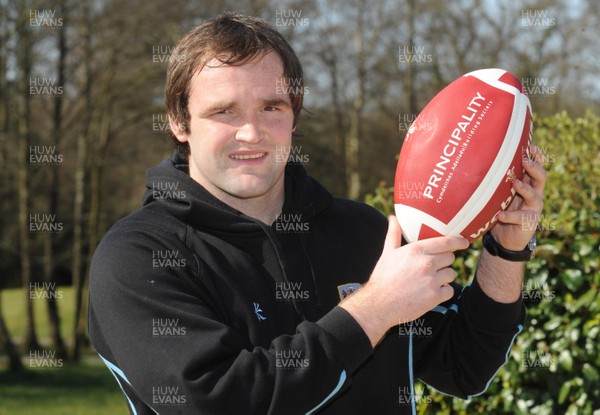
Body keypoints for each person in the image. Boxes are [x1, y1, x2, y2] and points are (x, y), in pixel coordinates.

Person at [89, 12, 546, 415]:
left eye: (271, 107)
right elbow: (222, 400)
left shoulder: (366, 233)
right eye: (224, 111)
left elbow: (462, 367)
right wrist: (376, 308)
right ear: (179, 121)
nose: (251, 132)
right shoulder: (136, 257)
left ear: (295, 115)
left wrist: (506, 250)